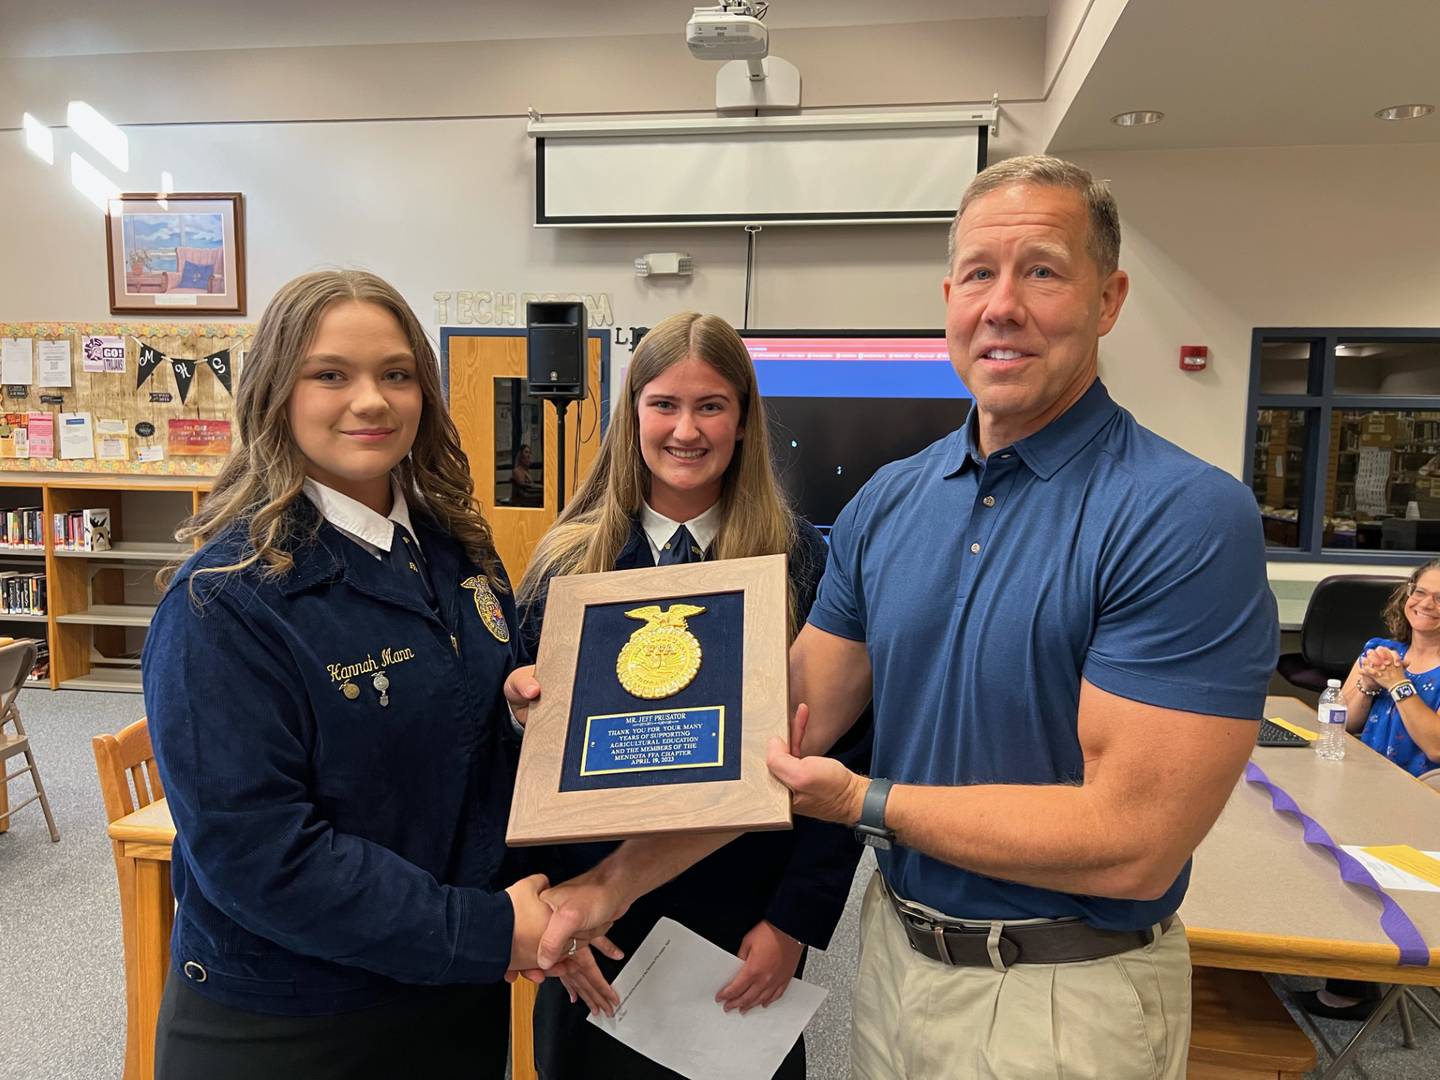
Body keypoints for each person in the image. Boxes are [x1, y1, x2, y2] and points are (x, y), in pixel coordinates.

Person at [529, 156, 1279, 1078]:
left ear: (1109, 297)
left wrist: (861, 802)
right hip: (894, 965)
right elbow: (767, 741)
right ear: (950, 298)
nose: (1002, 305)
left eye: (1041, 269)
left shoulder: (1182, 515)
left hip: (1064, 993)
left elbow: (1132, 844)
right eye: (977, 273)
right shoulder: (890, 504)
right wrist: (605, 884)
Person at [143, 270, 563, 1079]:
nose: (370, 400)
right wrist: (485, 932)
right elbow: (261, 857)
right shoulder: (224, 604)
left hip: (448, 1000)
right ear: (275, 392)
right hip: (297, 1024)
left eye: (396, 374)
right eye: (330, 374)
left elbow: (464, 746)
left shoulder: (457, 554)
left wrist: (513, 719)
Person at [510, 311, 870, 1080]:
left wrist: (791, 923)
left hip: (744, 919)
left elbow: (844, 749)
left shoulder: (800, 560)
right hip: (595, 927)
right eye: (664, 404)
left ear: (743, 421)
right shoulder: (567, 564)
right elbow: (516, 764)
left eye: (710, 406)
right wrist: (547, 916)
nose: (686, 429)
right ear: (632, 412)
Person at [1297, 558, 1440, 1020]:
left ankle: (1352, 985)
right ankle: (1321, 949)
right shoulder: (1383, 648)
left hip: (1416, 796)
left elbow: (1436, 747)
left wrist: (1398, 684)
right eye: (1421, 592)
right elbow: (1349, 720)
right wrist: (1366, 678)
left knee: (1350, 851)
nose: (1427, 604)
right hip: (1366, 779)